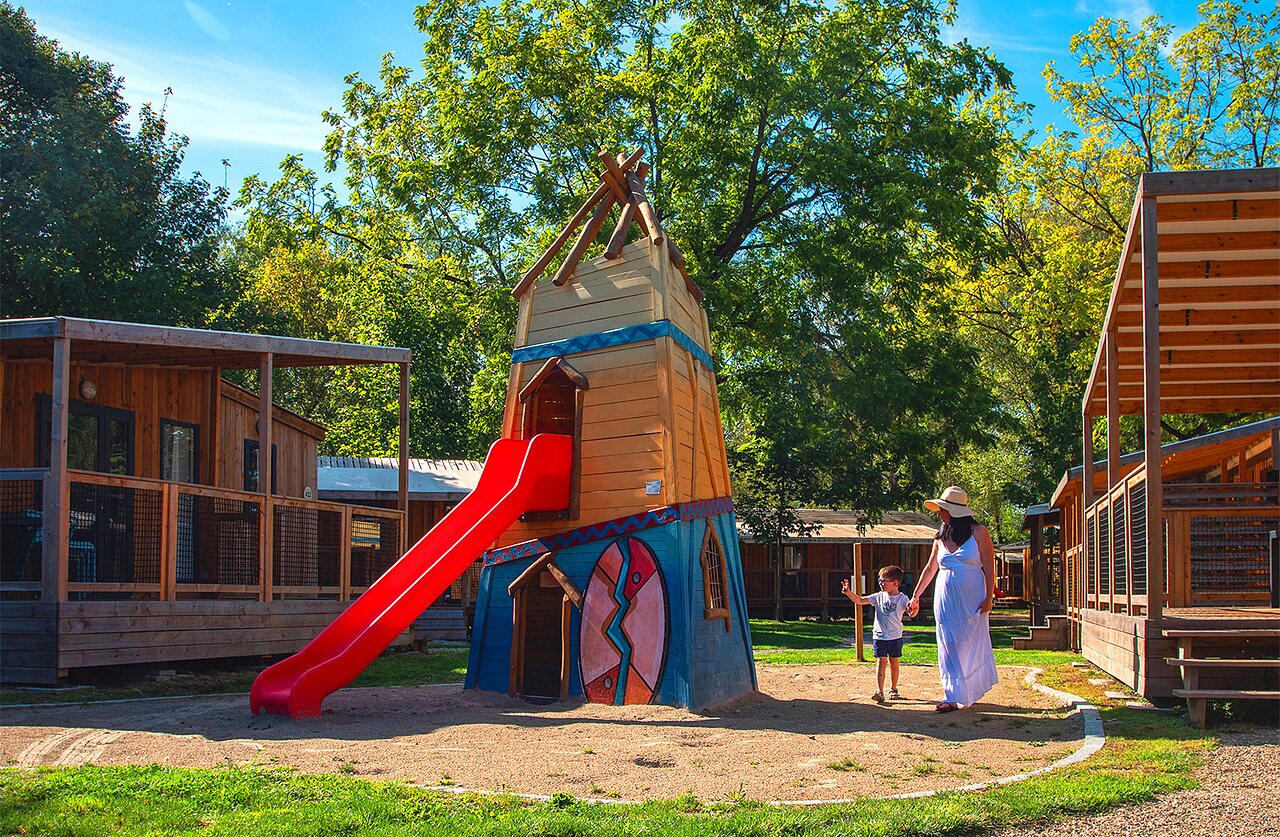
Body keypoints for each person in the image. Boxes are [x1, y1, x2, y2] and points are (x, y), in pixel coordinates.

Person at [908, 486, 999, 713]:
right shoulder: (939, 538)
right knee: (948, 643)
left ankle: (969, 690)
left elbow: (989, 566)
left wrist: (989, 597)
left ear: (955, 512)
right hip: (946, 599)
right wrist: (916, 596)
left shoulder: (979, 532)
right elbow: (930, 568)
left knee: (969, 641)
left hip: (973, 598)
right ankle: (951, 694)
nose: (939, 513)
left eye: (943, 509)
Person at [841, 565, 913, 702]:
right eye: (880, 580)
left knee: (894, 662)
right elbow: (860, 600)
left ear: (895, 583)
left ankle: (893, 688)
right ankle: (879, 691)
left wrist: (914, 608)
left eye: (884, 581)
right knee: (881, 661)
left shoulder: (903, 599)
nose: (881, 583)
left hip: (895, 636)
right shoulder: (878, 597)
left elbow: (912, 613)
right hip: (879, 636)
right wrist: (849, 593)